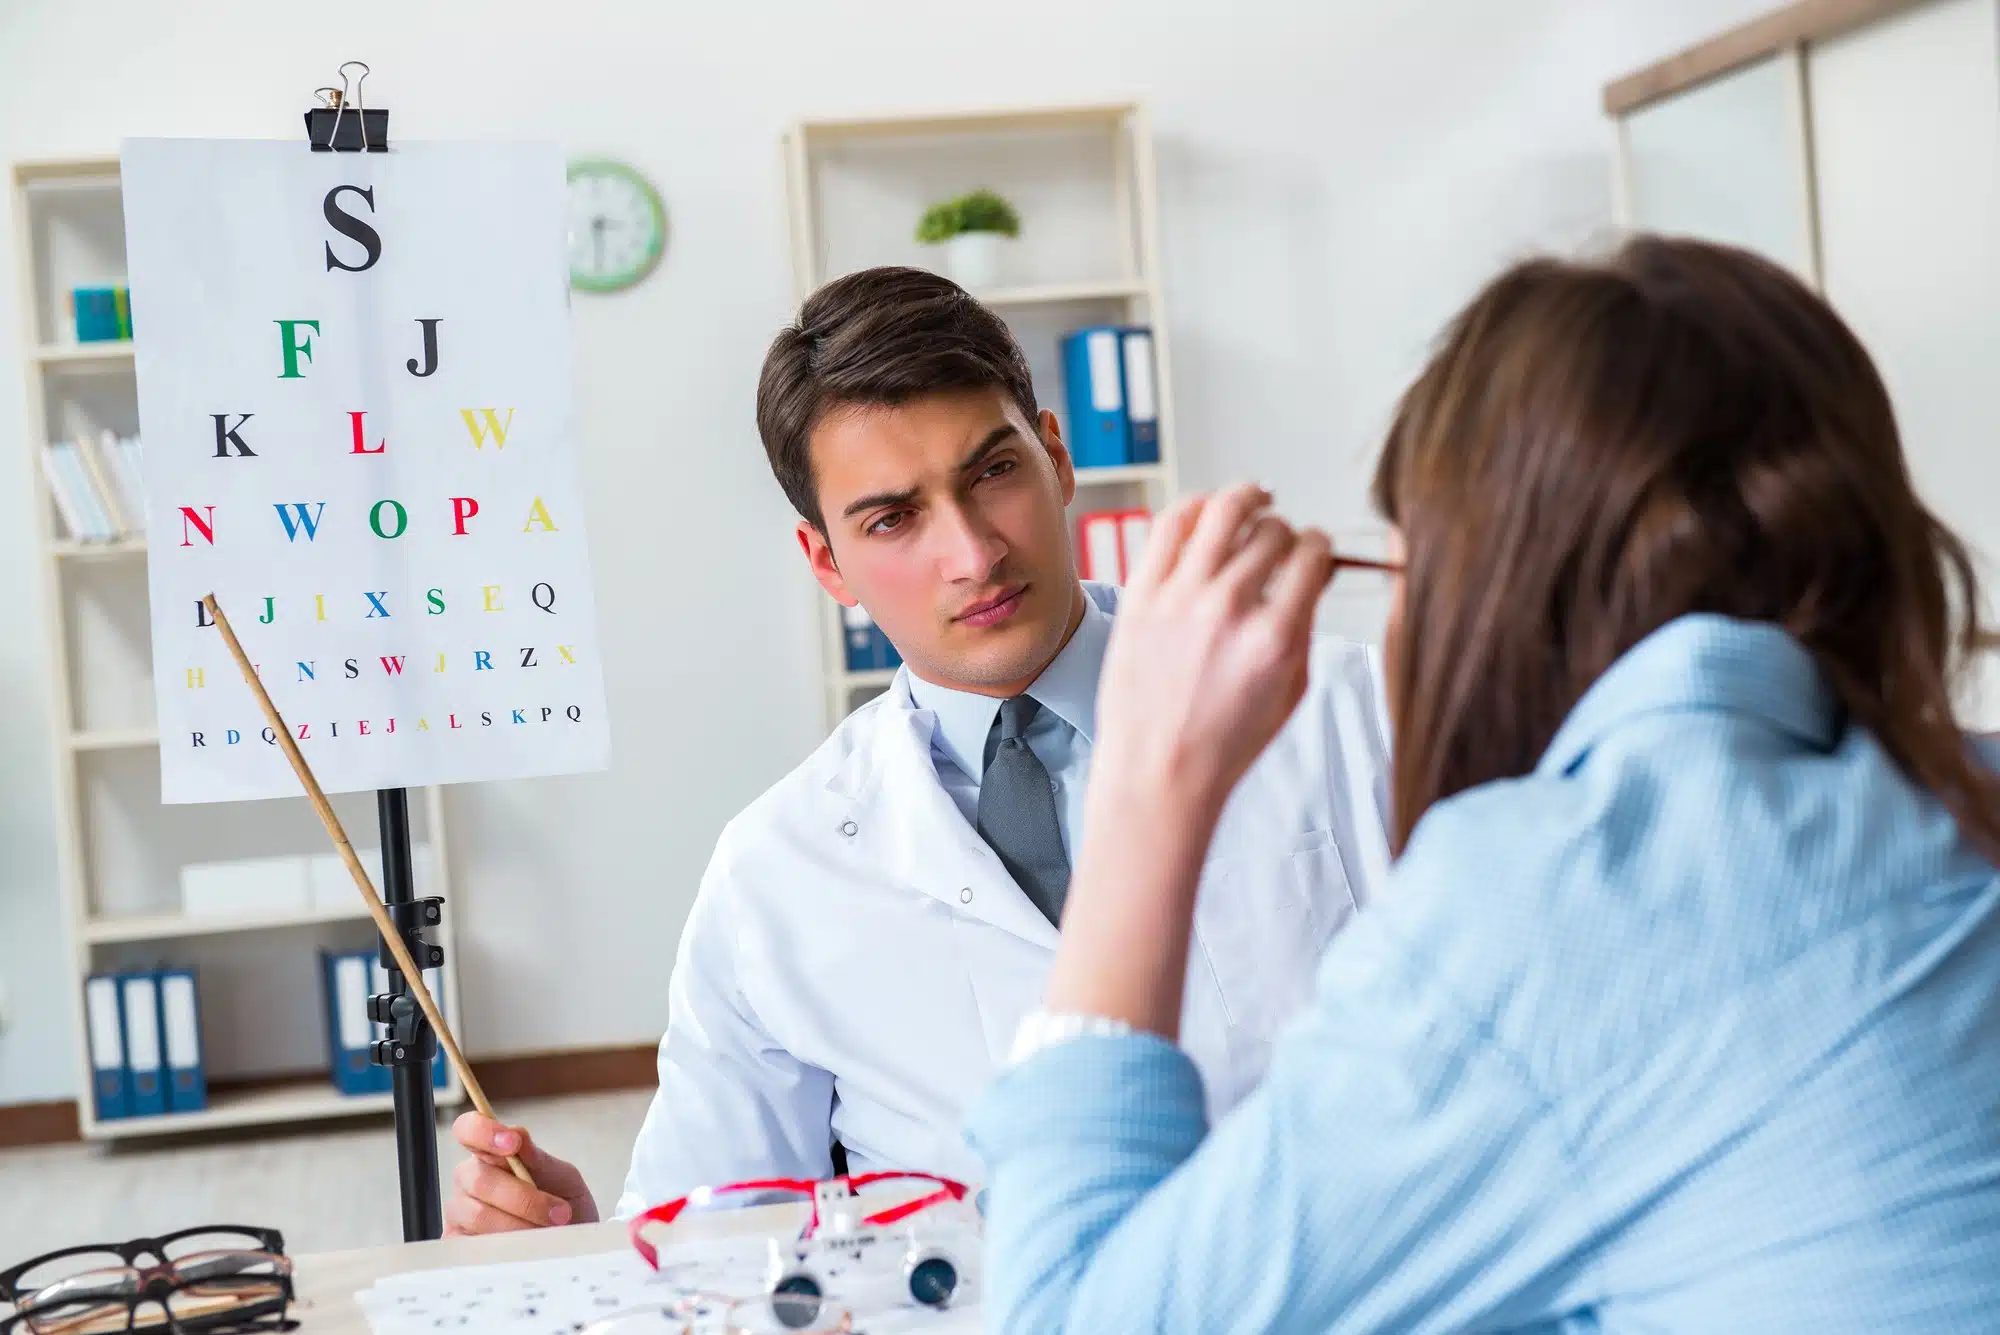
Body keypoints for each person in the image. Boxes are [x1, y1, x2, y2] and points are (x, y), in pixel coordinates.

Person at [968, 236, 2000, 1331]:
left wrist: (1144, 782)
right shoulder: (1963, 798)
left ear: (1488, 591)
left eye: (1409, 564)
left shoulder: (1564, 907)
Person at [441, 266, 1395, 1235]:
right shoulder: (775, 872)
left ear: (1055, 459)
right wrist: (578, 1248)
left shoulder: (1345, 711)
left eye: (992, 472)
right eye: (892, 519)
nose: (973, 555)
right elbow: (708, 1231)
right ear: (827, 563)